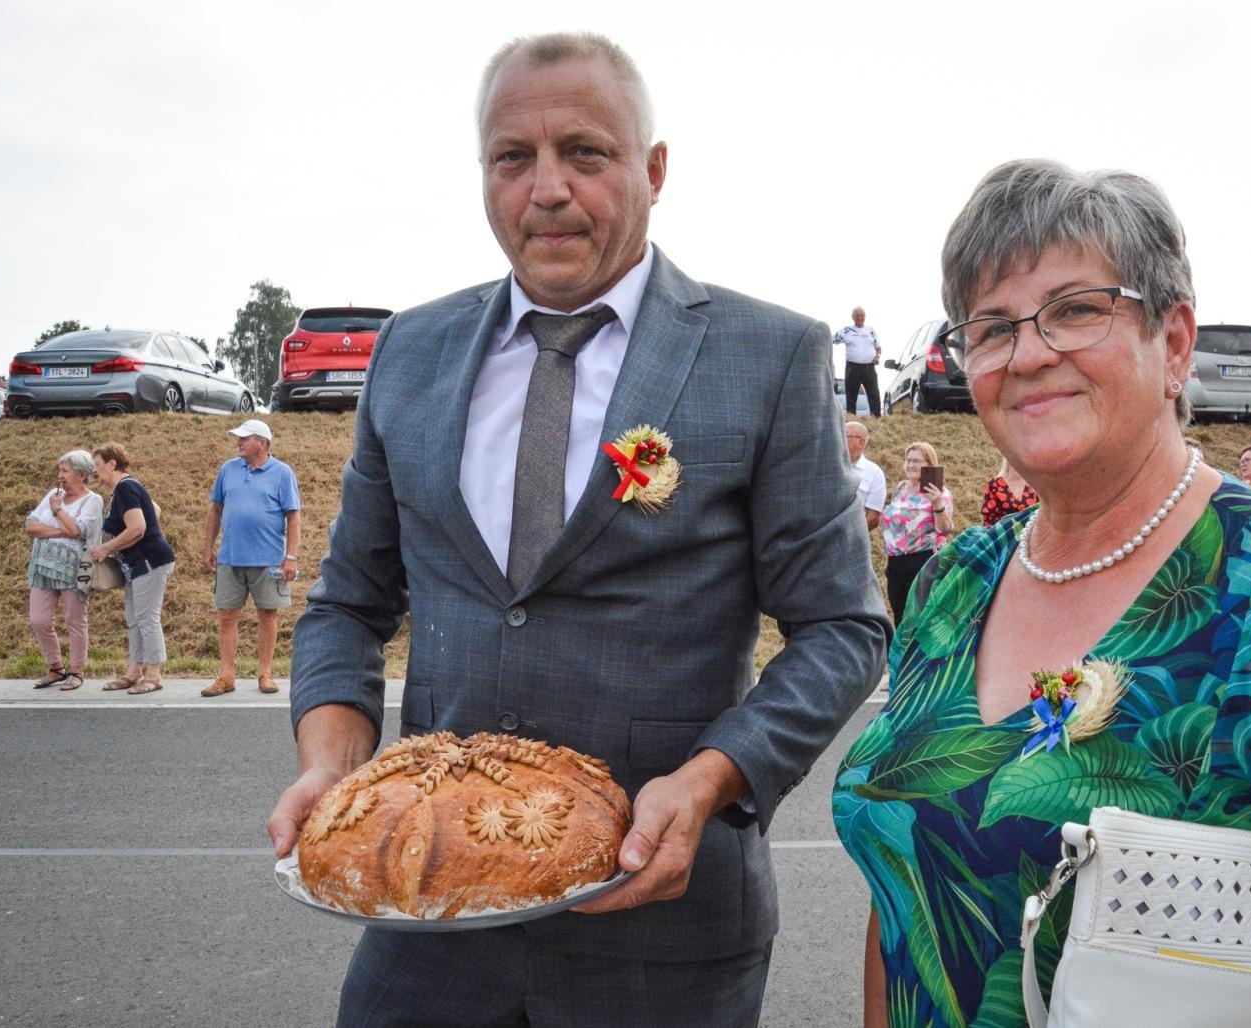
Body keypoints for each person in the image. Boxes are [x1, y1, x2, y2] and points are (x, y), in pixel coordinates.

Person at [266, 33, 889, 1027]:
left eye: (584, 153)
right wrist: (331, 767)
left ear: (652, 170)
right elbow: (346, 600)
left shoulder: (766, 355)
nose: (546, 189)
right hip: (428, 928)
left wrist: (708, 779)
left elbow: (842, 627)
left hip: (665, 931)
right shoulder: (410, 351)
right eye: (513, 157)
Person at [832, 159, 1251, 1026]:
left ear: (1175, 343)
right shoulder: (956, 583)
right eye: (992, 327)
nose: (1029, 352)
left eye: (1076, 310)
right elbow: (909, 895)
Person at [200, 419, 301, 697]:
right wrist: (208, 548)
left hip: (269, 559)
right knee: (226, 615)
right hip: (231, 557)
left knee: (267, 615)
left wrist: (290, 557)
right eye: (238, 438)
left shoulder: (282, 473)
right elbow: (215, 510)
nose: (239, 442)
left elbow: (293, 517)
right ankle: (226, 676)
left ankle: (265, 673)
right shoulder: (228, 470)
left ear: (263, 443)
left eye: (245, 438)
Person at [89, 443, 175, 695]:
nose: (95, 472)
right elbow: (154, 510)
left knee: (147, 618)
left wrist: (107, 548)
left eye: (97, 465)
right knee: (134, 618)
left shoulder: (126, 488)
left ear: (112, 464)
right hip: (135, 564)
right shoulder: (126, 488)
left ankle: (154, 674)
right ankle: (134, 671)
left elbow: (137, 527)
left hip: (149, 561)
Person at [25, 449, 104, 691]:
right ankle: (56, 667)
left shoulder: (93, 500)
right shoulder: (53, 494)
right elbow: (30, 525)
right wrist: (60, 530)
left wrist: (57, 511)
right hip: (43, 567)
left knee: (75, 621)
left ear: (81, 474)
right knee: (38, 619)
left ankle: (76, 671)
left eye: (64, 470)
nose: (60, 475)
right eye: (60, 470)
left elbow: (77, 531)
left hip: (73, 568)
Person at [879, 441, 953, 622]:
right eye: (909, 460)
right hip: (896, 563)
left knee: (919, 620)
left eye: (918, 461)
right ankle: (901, 651)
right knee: (900, 617)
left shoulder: (939, 492)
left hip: (923, 561)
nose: (911, 465)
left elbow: (946, 529)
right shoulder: (900, 488)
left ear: (929, 465)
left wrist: (937, 504)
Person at [834, 306, 883, 416]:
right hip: (852, 368)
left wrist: (877, 356)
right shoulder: (846, 330)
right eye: (857, 315)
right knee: (851, 395)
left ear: (865, 317)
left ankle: (877, 418)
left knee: (874, 393)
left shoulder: (871, 331)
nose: (860, 317)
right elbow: (831, 339)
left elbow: (878, 348)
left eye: (862, 315)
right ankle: (852, 419)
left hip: (869, 368)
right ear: (853, 317)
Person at [846, 420, 886, 531]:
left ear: (861, 442)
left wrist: (852, 535)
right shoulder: (828, 466)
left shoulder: (874, 473)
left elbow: (873, 518)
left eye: (846, 435)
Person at [980, 455, 1037, 525]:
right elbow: (989, 519)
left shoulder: (1034, 483)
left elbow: (1041, 513)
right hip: (1003, 532)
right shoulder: (994, 485)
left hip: (1029, 532)